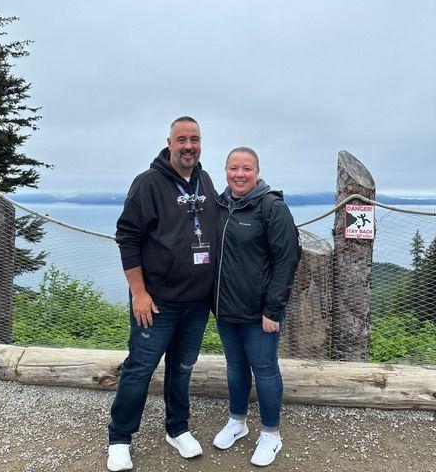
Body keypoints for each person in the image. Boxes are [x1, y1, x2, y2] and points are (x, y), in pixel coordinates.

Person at [107, 116, 217, 471]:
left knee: (182, 368)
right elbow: (128, 238)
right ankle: (120, 438)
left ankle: (177, 428)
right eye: (182, 139)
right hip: (156, 303)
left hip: (196, 303)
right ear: (169, 143)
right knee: (139, 370)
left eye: (194, 139)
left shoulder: (205, 179)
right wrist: (139, 293)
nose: (189, 146)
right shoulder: (148, 183)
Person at [212, 147, 300, 467]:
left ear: (257, 172)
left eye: (246, 168)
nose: (239, 174)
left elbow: (286, 261)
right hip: (226, 309)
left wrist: (273, 310)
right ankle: (237, 421)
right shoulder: (219, 205)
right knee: (235, 367)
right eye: (234, 168)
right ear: (225, 171)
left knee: (265, 370)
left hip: (260, 312)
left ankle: (271, 434)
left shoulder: (272, 207)